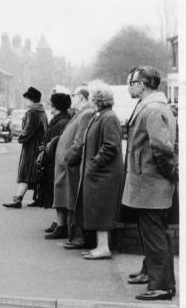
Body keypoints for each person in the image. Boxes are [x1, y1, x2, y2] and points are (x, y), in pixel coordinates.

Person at [119, 66, 178, 301]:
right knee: (152, 233)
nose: (129, 87)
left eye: (132, 83)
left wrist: (169, 172)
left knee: (154, 234)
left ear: (142, 84)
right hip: (150, 183)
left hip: (152, 183)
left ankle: (162, 285)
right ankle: (150, 273)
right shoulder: (155, 106)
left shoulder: (152, 109)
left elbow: (162, 148)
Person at [74, 80, 124, 260]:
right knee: (96, 210)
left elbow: (111, 146)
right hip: (99, 173)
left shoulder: (108, 117)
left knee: (101, 210)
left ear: (97, 99)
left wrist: (93, 165)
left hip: (104, 174)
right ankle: (100, 246)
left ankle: (103, 248)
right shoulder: (101, 115)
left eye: (92, 97)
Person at [51, 85, 94, 248]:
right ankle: (71, 235)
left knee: (72, 202)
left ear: (81, 98)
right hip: (67, 165)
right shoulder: (80, 113)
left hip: (71, 166)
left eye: (74, 95)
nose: (71, 98)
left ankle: (77, 238)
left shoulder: (86, 114)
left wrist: (68, 157)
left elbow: (80, 141)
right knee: (67, 200)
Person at [3, 86, 48, 208]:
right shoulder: (42, 112)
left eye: (27, 98)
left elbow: (28, 130)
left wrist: (20, 137)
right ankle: (38, 198)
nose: (26, 101)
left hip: (31, 147)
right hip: (40, 146)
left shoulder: (32, 112)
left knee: (26, 173)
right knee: (37, 173)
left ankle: (17, 199)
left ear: (31, 99)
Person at [35, 89, 72, 215]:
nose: (49, 105)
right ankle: (58, 222)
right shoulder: (59, 120)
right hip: (51, 160)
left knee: (58, 193)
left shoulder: (62, 122)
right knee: (55, 192)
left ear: (56, 106)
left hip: (55, 161)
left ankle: (60, 224)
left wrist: (46, 150)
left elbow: (57, 143)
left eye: (51, 103)